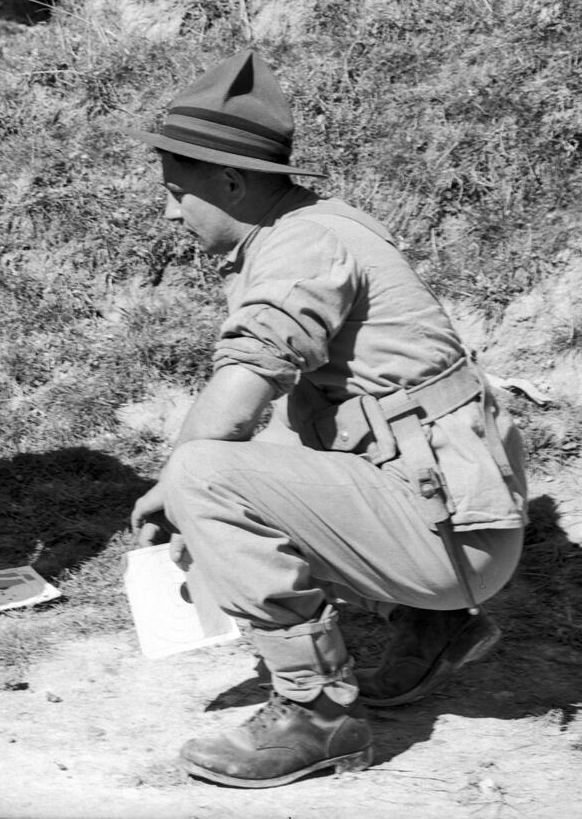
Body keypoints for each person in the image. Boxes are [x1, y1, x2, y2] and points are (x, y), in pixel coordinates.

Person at [126, 50, 526, 788]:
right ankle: (429, 622)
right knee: (265, 451)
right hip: (452, 520)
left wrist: (174, 489)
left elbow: (239, 391)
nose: (170, 212)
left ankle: (316, 713)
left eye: (178, 193)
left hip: (453, 541)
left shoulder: (302, 245)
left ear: (232, 182)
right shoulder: (317, 224)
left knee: (203, 472)